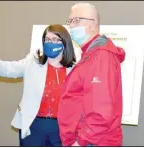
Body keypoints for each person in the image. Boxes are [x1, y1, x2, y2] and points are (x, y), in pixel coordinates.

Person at [0, 24, 76, 146]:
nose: (50, 42)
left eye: (55, 39)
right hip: (34, 125)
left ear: (65, 42)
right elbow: (9, 69)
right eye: (47, 39)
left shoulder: (75, 69)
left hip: (63, 128)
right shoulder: (33, 62)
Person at [57, 2, 125, 146]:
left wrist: (80, 142)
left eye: (77, 20)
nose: (71, 26)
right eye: (70, 21)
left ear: (93, 25)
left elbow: (101, 111)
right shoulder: (91, 55)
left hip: (93, 142)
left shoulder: (100, 56)